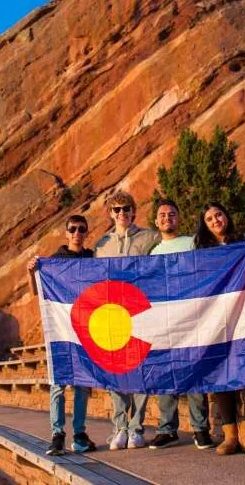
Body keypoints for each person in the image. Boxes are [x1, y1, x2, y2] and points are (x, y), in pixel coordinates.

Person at [193, 201, 245, 455]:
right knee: (222, 375)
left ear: (227, 215)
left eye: (218, 214)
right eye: (209, 219)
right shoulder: (202, 250)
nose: (215, 220)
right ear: (205, 225)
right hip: (217, 322)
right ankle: (229, 434)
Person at [95, 190, 160, 450]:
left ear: (134, 211)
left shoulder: (150, 238)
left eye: (126, 209)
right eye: (116, 210)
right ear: (110, 214)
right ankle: (119, 427)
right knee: (115, 372)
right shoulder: (101, 245)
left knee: (140, 371)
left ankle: (136, 428)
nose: (121, 213)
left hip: (140, 314)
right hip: (112, 316)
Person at [148, 199, 215, 450]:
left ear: (179, 218)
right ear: (157, 222)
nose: (167, 218)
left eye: (172, 214)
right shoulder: (153, 253)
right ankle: (167, 429)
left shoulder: (192, 243)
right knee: (166, 373)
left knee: (194, 372)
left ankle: (200, 429)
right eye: (162, 214)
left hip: (191, 318)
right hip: (164, 322)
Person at [27, 214, 97, 456]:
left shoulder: (91, 258)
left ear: (86, 233)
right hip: (61, 329)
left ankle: (79, 434)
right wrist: (31, 272)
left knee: (81, 385)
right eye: (73, 229)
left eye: (81, 229)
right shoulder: (55, 261)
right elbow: (37, 291)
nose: (77, 233)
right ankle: (57, 435)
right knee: (58, 383)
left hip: (85, 330)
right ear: (66, 233)